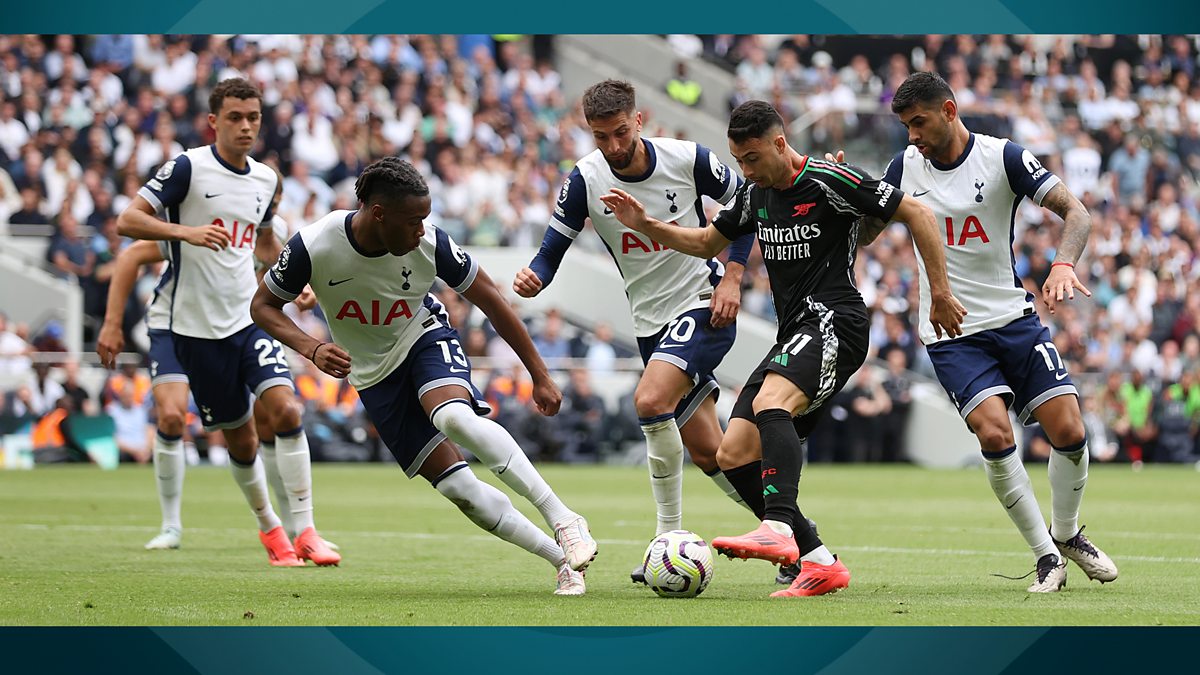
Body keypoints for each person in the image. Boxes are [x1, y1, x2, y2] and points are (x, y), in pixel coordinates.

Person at [600, 99, 965, 598]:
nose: (746, 170)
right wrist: (646, 225)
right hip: (795, 333)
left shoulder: (830, 180)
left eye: (752, 158)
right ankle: (819, 561)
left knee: (771, 403)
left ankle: (777, 527)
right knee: (732, 453)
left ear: (779, 143)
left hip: (837, 321)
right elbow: (706, 242)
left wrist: (939, 292)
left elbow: (917, 212)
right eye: (739, 161)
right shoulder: (755, 194)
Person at [251, 157, 598, 596]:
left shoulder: (430, 243)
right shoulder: (315, 244)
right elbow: (262, 306)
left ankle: (564, 518)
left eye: (425, 219)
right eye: (414, 220)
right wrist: (312, 347)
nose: (421, 230)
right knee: (461, 490)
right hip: (373, 377)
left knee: (452, 416)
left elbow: (491, 299)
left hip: (422, 337)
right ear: (379, 213)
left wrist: (540, 374)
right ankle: (562, 561)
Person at [860, 71, 1118, 592]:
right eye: (906, 126)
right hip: (951, 330)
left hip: (1013, 318)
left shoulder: (1002, 157)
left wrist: (1063, 264)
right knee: (996, 433)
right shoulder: (904, 167)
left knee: (1070, 432)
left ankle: (1067, 533)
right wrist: (855, 194)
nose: (913, 135)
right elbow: (867, 234)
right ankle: (1046, 556)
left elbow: (1076, 213)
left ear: (949, 111)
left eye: (919, 122)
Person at [512, 80, 756, 583]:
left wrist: (733, 277)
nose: (614, 145)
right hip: (650, 323)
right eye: (601, 136)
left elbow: (748, 204)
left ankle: (664, 541)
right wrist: (535, 276)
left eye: (621, 132)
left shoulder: (688, 159)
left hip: (704, 302)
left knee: (649, 401)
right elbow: (552, 248)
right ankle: (793, 535)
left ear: (639, 120)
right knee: (710, 451)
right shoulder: (585, 178)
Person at [111, 77, 338, 567]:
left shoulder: (267, 180)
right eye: (235, 117)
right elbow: (127, 222)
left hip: (248, 319)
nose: (246, 126)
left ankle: (307, 532)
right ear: (214, 121)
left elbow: (265, 242)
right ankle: (269, 528)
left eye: (253, 117)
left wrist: (295, 280)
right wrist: (185, 232)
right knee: (240, 438)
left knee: (287, 411)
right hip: (193, 329)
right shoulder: (187, 168)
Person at [97, 180, 325, 554]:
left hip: (244, 325)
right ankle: (171, 525)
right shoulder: (211, 221)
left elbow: (276, 272)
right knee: (173, 417)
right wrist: (112, 322)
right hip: (177, 325)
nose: (267, 204)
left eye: (274, 199)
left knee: (279, 413)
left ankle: (297, 529)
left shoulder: (276, 231)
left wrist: (302, 288)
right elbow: (131, 256)